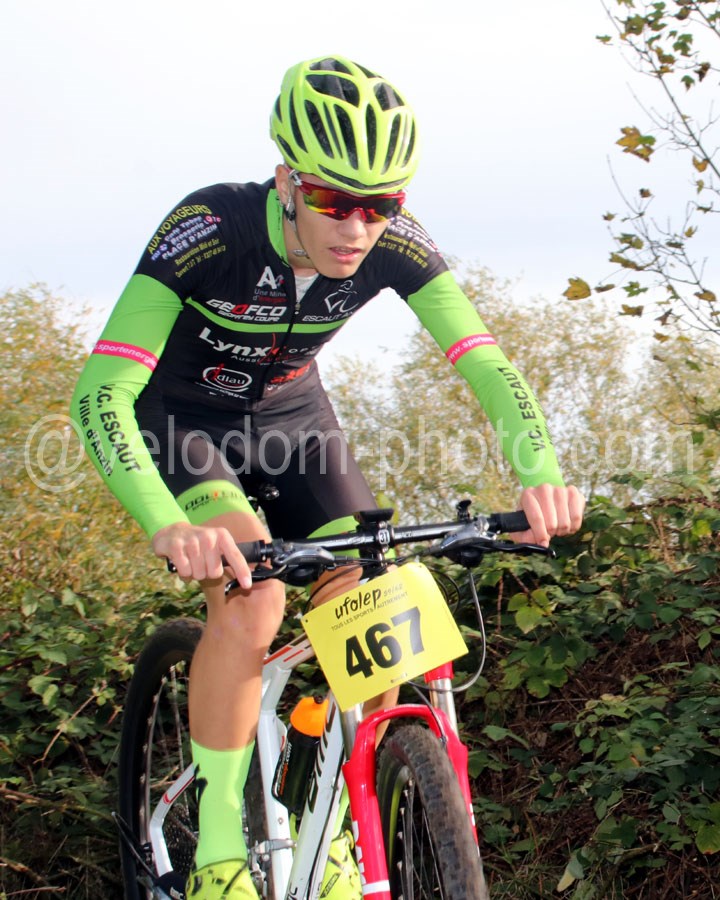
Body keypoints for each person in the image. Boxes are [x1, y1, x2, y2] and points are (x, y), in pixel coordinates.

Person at [71, 55, 585, 900]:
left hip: (293, 424)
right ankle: (219, 851)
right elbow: (101, 391)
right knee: (255, 596)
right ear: (287, 182)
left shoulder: (396, 244)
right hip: (182, 422)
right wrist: (168, 522)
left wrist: (542, 477)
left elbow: (486, 363)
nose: (356, 227)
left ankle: (341, 826)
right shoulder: (211, 227)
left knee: (376, 598)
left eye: (380, 205)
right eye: (333, 201)